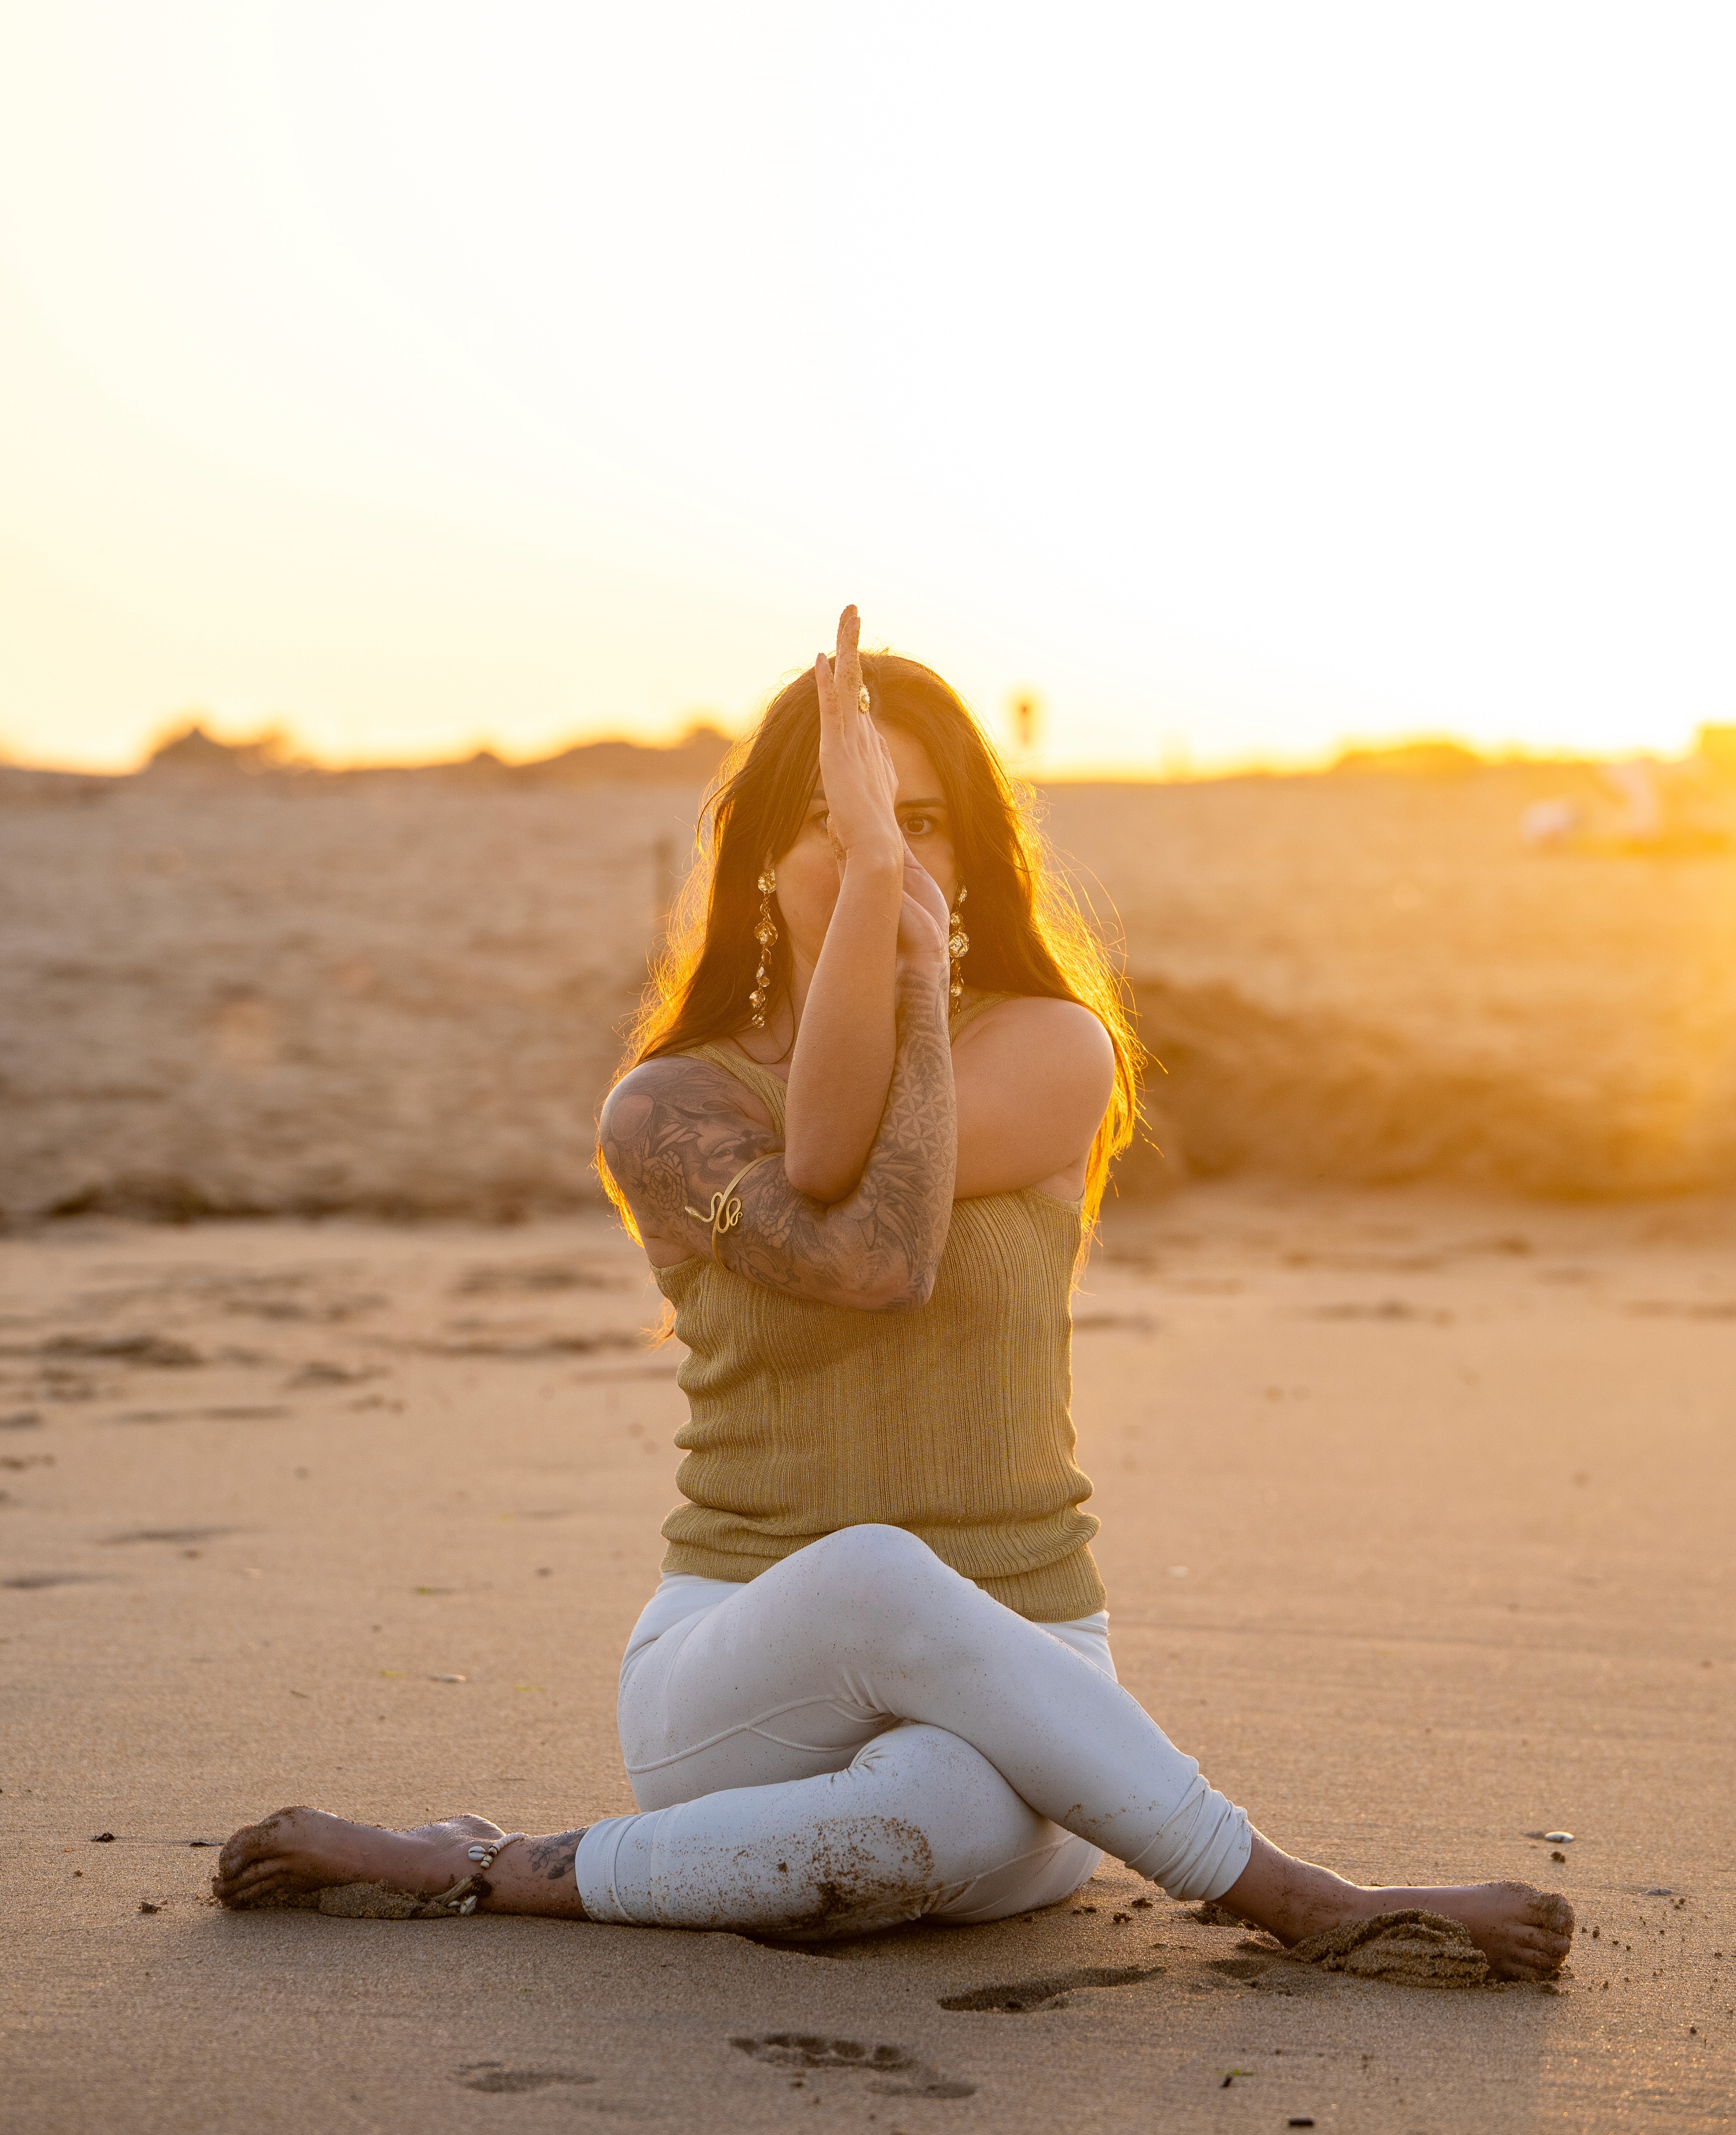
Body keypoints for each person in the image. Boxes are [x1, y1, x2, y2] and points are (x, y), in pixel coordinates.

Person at [214, 611, 1572, 1979]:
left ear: (975, 855)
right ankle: (1296, 1893)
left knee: (904, 1839)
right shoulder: (669, 1107)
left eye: (920, 823)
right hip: (743, 1671)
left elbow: (859, 1173)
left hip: (1038, 1678)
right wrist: (885, 907)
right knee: (871, 1570)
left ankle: (497, 1865)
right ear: (759, 860)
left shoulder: (1054, 1049)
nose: (889, 849)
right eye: (838, 820)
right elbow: (867, 1249)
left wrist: (907, 961)